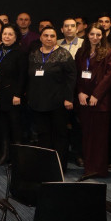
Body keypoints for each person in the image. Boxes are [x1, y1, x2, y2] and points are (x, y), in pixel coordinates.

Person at [26, 26, 76, 167]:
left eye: (52, 36)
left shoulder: (64, 54)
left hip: (58, 102)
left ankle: (59, 166)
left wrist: (69, 98)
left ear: (56, 38)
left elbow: (71, 78)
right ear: (40, 37)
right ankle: (45, 165)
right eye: (46, 35)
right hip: (38, 102)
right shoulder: (34, 54)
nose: (49, 38)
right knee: (43, 135)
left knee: (59, 135)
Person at [74, 22, 111, 177]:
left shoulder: (109, 52)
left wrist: (96, 95)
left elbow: (108, 77)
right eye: (92, 34)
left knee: (99, 137)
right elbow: (77, 74)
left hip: (100, 101)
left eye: (98, 34)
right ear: (87, 35)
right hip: (84, 99)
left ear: (102, 36)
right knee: (86, 135)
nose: (95, 37)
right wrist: (80, 92)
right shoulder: (81, 52)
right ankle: (89, 168)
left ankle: (99, 169)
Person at [0, 24, 26, 165]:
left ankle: (17, 158)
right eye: (5, 34)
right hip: (0, 94)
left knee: (15, 126)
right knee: (2, 126)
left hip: (14, 95)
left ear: (16, 36)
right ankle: (5, 154)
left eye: (10, 34)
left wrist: (18, 94)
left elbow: (23, 76)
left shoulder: (20, 52)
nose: (7, 36)